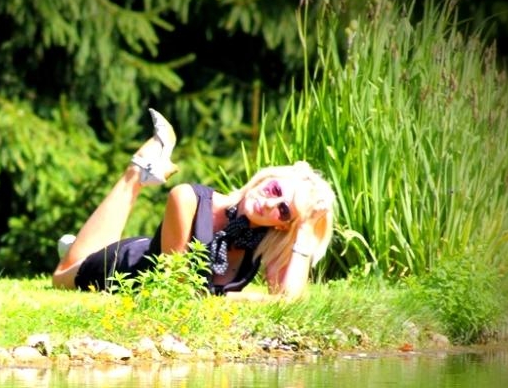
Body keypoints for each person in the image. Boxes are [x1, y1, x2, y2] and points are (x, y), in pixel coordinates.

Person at [52, 109, 336, 300]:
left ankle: (76, 244)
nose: (271, 203)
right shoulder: (187, 199)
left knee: (75, 253)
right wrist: (242, 299)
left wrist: (304, 232)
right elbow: (175, 290)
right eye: (275, 190)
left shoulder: (265, 240)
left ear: (284, 225)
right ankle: (137, 171)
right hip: (123, 267)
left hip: (155, 249)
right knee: (62, 276)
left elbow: (288, 302)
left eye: (284, 211)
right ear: (267, 178)